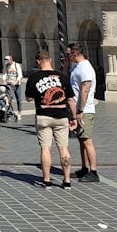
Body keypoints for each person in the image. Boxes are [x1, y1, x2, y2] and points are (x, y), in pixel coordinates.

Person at [24, 49, 77, 189]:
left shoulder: (34, 78)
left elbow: (28, 98)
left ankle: (47, 180)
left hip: (43, 116)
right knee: (63, 149)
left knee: (45, 148)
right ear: (50, 60)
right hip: (61, 116)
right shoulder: (62, 77)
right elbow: (71, 100)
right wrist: (74, 117)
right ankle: (66, 181)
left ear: (38, 62)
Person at [67, 42, 100, 183]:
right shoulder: (76, 66)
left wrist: (80, 110)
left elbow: (84, 90)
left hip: (85, 110)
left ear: (75, 54)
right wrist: (66, 63)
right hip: (78, 109)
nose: (67, 57)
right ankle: (84, 168)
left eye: (68, 55)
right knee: (81, 140)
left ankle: (93, 172)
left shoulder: (85, 68)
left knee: (87, 140)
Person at [2, 54, 24, 119]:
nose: (5, 61)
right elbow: (4, 73)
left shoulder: (16, 65)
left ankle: (19, 112)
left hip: (17, 84)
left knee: (19, 99)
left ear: (10, 59)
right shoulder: (6, 66)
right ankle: (7, 112)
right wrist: (4, 80)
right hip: (9, 84)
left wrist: (16, 81)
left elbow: (20, 75)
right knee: (8, 98)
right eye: (5, 59)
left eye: (7, 59)